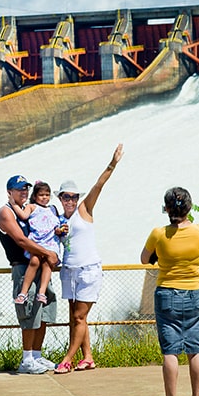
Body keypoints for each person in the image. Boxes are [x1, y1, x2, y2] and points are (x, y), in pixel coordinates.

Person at [53, 143, 123, 374]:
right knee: (75, 319)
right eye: (66, 197)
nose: (70, 201)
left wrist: (112, 163)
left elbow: (98, 186)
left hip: (87, 271)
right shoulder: (59, 219)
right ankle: (88, 358)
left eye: (73, 197)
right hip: (69, 271)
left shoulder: (84, 210)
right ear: (60, 198)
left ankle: (67, 359)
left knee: (79, 316)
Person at [140, 187, 199, 396]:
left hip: (167, 292)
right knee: (195, 348)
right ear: (189, 208)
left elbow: (144, 259)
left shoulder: (158, 234)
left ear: (167, 209)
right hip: (195, 293)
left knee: (170, 351)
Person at [0, 175, 60, 374]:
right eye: (19, 189)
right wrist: (48, 253)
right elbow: (22, 241)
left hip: (41, 264)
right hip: (24, 268)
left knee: (42, 310)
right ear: (10, 192)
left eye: (25, 189)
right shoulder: (6, 213)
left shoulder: (32, 209)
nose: (23, 192)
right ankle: (26, 360)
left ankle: (36, 355)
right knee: (29, 311)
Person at [10, 181, 65, 306]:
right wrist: (13, 204)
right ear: (35, 196)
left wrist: (59, 230)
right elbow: (23, 215)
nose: (44, 197)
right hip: (38, 241)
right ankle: (23, 293)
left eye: (47, 194)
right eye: (41, 195)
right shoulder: (32, 207)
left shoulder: (52, 209)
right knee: (34, 261)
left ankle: (41, 292)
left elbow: (58, 224)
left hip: (51, 242)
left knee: (47, 264)